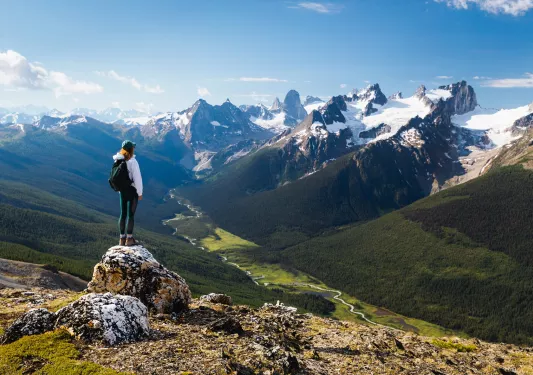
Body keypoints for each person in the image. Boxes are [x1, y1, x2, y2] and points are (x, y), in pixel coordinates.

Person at [113, 140, 143, 246]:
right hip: (131, 190)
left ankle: (122, 239)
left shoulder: (118, 160)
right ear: (131, 149)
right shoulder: (132, 161)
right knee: (131, 215)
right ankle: (129, 239)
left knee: (123, 214)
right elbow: (137, 178)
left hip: (122, 191)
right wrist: (139, 193)